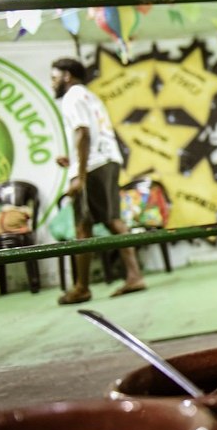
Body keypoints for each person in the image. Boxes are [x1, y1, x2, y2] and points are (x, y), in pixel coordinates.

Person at [52, 57, 146, 304]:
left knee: (84, 226)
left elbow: (83, 133)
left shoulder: (72, 96)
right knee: (110, 220)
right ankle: (132, 276)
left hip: (93, 165)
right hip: (108, 160)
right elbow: (89, 134)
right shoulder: (89, 96)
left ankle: (82, 287)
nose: (52, 83)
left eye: (54, 77)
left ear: (67, 76)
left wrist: (80, 175)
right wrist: (72, 159)